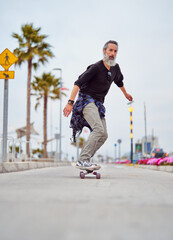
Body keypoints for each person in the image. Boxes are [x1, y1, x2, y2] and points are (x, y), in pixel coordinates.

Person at [63, 40, 133, 168]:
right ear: (104, 51)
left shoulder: (115, 69)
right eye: (110, 50)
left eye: (115, 51)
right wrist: (70, 103)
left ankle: (86, 160)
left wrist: (125, 94)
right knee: (98, 129)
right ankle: (82, 160)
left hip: (98, 104)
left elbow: (119, 82)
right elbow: (77, 83)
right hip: (86, 100)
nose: (112, 53)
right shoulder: (96, 67)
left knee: (104, 135)